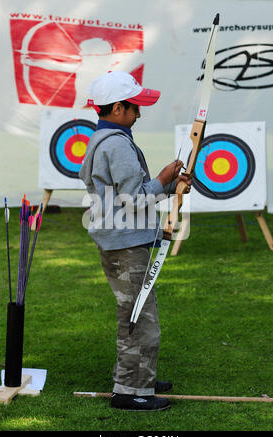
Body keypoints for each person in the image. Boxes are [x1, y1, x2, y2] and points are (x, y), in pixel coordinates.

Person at [79, 71, 191, 411]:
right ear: (117, 109)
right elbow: (134, 198)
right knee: (139, 317)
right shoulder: (116, 144)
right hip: (125, 244)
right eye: (134, 108)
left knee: (137, 311)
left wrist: (172, 186)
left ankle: (139, 375)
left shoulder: (104, 140)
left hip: (118, 241)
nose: (138, 114)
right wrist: (162, 179)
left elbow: (124, 194)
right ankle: (130, 391)